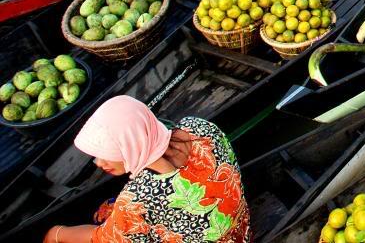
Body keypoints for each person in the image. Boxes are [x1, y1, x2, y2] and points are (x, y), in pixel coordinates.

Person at [42, 96, 249, 243]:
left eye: (108, 152)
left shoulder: (137, 198)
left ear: (131, 145)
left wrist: (57, 233)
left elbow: (103, 238)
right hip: (240, 231)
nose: (98, 162)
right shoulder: (199, 127)